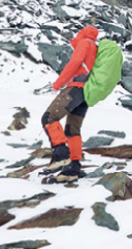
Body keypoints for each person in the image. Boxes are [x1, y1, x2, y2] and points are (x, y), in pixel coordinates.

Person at [41, 24, 98, 182]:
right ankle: (72, 169)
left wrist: (58, 83)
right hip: (86, 93)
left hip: (75, 88)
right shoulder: (95, 47)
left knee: (48, 118)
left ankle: (61, 155)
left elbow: (75, 62)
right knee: (73, 129)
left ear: (82, 34)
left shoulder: (84, 43)